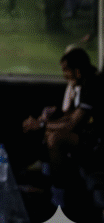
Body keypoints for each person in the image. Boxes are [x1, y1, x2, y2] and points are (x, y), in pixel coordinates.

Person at [21, 48, 99, 207]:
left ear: (77, 71)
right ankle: (46, 184)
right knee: (51, 130)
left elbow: (72, 124)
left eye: (66, 71)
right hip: (88, 136)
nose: (64, 75)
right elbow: (70, 116)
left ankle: (58, 200)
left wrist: (41, 124)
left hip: (97, 143)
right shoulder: (83, 84)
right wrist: (42, 121)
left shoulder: (92, 85)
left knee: (55, 138)